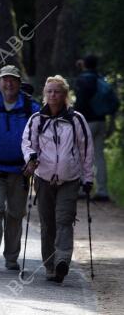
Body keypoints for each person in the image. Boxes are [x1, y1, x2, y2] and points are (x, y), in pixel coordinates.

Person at [22, 75, 94, 282]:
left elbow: (85, 149)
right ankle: (50, 266)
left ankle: (62, 260)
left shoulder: (76, 119)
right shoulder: (37, 119)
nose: (53, 95)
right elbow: (27, 142)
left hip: (69, 179)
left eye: (57, 92)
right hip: (43, 178)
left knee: (64, 219)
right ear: (45, 94)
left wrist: (88, 178)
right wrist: (31, 157)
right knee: (47, 223)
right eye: (50, 91)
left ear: (65, 95)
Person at [0, 65, 40, 271]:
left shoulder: (31, 108)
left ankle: (11, 258)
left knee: (15, 214)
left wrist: (34, 162)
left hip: (21, 172)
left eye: (13, 80)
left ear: (19, 83)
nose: (9, 83)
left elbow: (42, 137)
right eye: (5, 80)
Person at [74, 55, 118, 201]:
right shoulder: (100, 78)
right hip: (101, 121)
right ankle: (102, 191)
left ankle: (82, 188)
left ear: (84, 64)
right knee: (99, 156)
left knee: (82, 155)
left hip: (87, 122)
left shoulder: (83, 79)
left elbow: (80, 103)